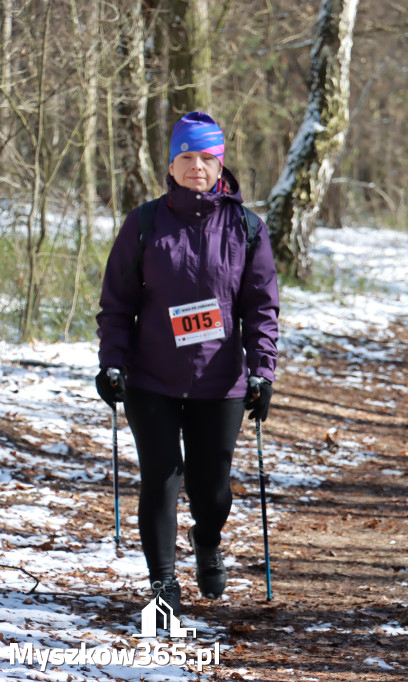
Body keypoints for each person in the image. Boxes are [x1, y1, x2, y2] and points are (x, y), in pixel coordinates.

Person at [95, 111, 280, 618]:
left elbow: (261, 307)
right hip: (151, 377)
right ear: (171, 165)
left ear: (220, 164)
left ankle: (207, 539)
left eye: (206, 158)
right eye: (186, 158)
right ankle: (163, 582)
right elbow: (117, 303)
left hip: (219, 381)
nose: (197, 167)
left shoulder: (246, 227)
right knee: (161, 476)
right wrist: (111, 361)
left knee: (211, 489)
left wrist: (262, 369)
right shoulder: (144, 223)